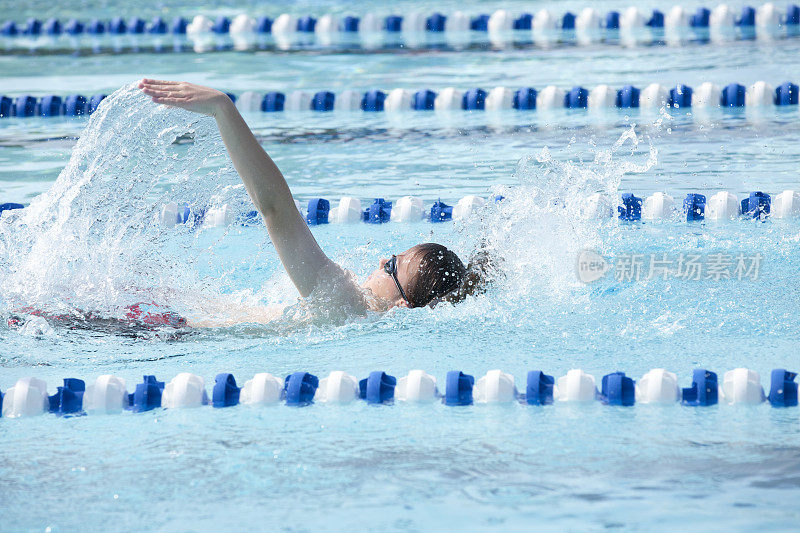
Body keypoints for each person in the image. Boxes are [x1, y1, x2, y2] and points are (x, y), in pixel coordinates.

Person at [138, 79, 492, 317]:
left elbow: (275, 210)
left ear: (401, 304)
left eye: (391, 266)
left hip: (156, 330)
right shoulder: (353, 316)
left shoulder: (345, 303)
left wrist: (223, 109)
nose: (383, 258)